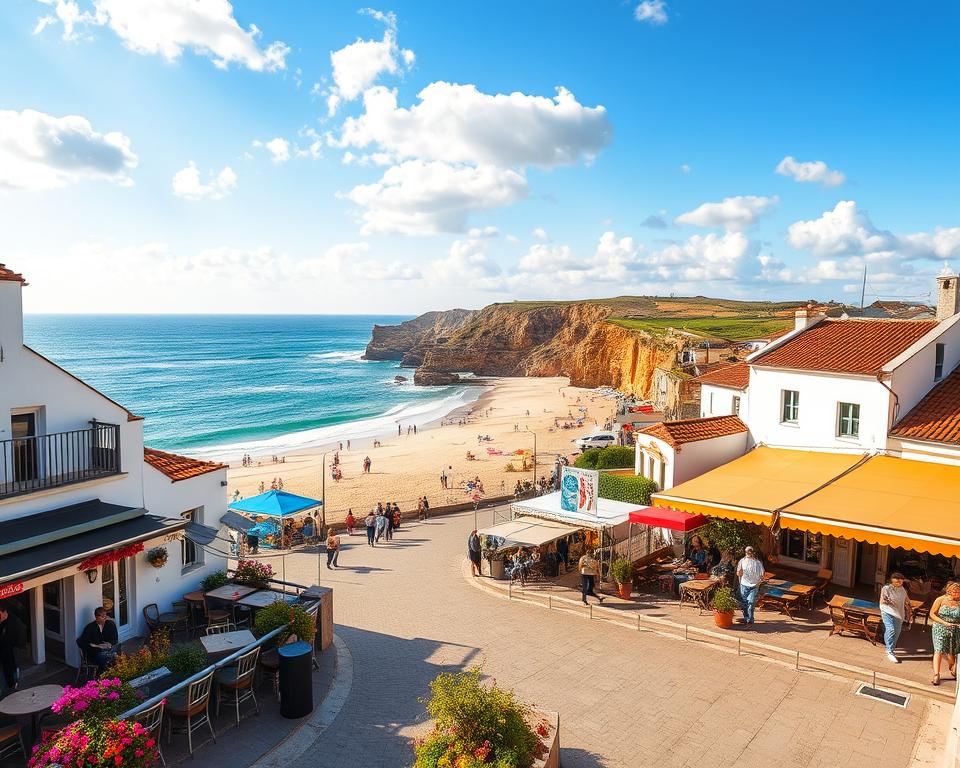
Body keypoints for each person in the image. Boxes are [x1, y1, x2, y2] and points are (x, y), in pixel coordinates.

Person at [930, 582, 960, 685]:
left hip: (955, 629)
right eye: (953, 591)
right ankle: (936, 675)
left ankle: (952, 667)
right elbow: (932, 614)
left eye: (957, 592)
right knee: (939, 650)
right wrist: (944, 622)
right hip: (940, 627)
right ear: (948, 591)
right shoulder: (941, 599)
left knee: (951, 653)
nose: (955, 593)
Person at [880, 572, 912, 663]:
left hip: (899, 613)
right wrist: (890, 601)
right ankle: (889, 651)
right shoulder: (886, 588)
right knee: (891, 630)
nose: (899, 582)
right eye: (897, 581)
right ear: (892, 580)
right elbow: (885, 599)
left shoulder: (902, 589)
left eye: (901, 581)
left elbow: (906, 600)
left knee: (897, 633)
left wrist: (909, 606)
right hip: (887, 611)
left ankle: (891, 649)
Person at [78, 607, 119, 674]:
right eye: (102, 616)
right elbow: (81, 642)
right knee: (106, 660)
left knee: (119, 656)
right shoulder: (90, 627)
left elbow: (115, 639)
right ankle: (100, 678)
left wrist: (110, 644)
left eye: (105, 616)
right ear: (96, 617)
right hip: (95, 653)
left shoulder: (110, 624)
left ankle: (112, 677)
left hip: (109, 650)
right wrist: (97, 646)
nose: (105, 618)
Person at [0, 603, 25, 695]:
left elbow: (21, 637)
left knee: (14, 669)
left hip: (13, 651)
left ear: (4, 612)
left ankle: (14, 687)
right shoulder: (2, 622)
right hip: (3, 651)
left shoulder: (15, 622)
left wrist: (17, 646)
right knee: (5, 670)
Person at [736, 546, 764, 625]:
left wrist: (759, 583)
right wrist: (739, 573)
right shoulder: (742, 561)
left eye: (749, 551)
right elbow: (738, 573)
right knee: (744, 602)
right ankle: (746, 618)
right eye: (746, 551)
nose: (748, 553)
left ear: (752, 552)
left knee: (751, 602)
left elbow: (762, 575)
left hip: (754, 586)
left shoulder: (758, 563)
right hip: (744, 584)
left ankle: (750, 619)